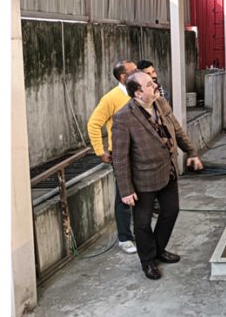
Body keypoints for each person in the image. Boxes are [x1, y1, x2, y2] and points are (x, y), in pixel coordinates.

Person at [112, 70, 204, 280]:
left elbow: (177, 131)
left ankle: (158, 250)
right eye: (149, 83)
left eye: (153, 81)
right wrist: (126, 190)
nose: (155, 85)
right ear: (137, 93)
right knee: (142, 223)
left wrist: (192, 152)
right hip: (143, 179)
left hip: (168, 171)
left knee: (171, 212)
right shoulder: (124, 117)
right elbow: (120, 158)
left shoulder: (160, 103)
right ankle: (148, 261)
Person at [86, 60, 138, 254]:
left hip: (141, 152)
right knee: (124, 196)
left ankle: (140, 232)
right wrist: (100, 151)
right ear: (123, 77)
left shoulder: (139, 94)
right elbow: (93, 123)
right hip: (122, 154)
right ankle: (124, 238)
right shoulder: (111, 98)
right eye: (133, 71)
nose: (138, 73)